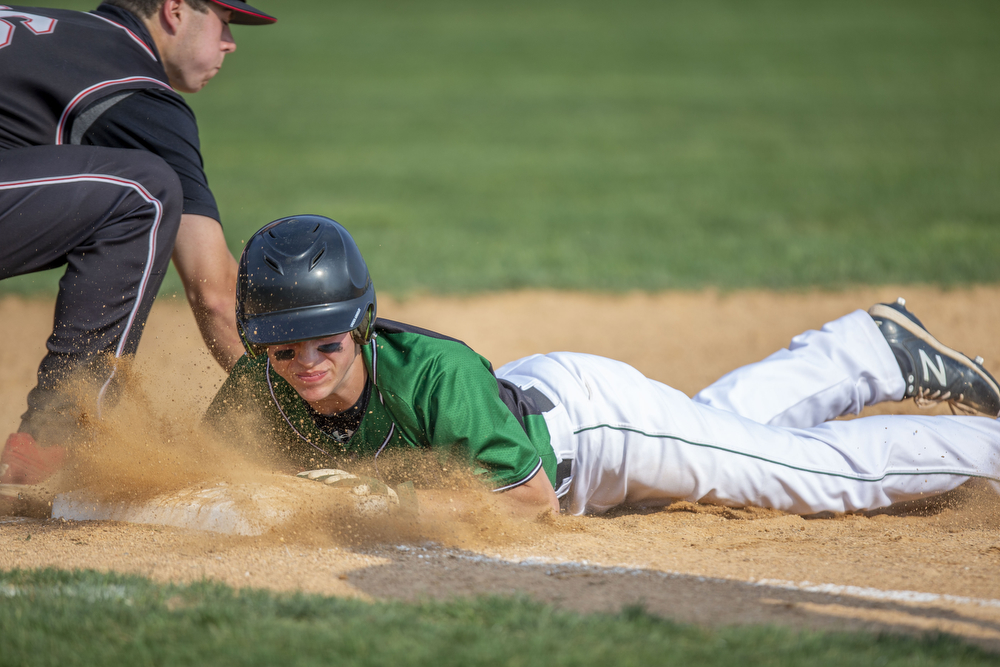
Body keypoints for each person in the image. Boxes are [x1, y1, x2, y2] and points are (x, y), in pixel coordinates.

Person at [206, 215, 1000, 516]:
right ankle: (869, 348)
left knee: (809, 477)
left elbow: (527, 507)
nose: (305, 363)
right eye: (283, 348)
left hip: (599, 431)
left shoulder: (433, 376)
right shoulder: (259, 390)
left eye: (326, 343)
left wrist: (361, 511)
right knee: (728, 429)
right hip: (542, 396)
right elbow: (203, 469)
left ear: (359, 324)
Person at [0, 0, 276, 485]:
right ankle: (56, 439)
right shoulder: (131, 90)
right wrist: (300, 414)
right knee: (144, 194)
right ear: (174, 11)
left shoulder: (54, 32)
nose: (230, 44)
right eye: (224, 23)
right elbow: (216, 294)